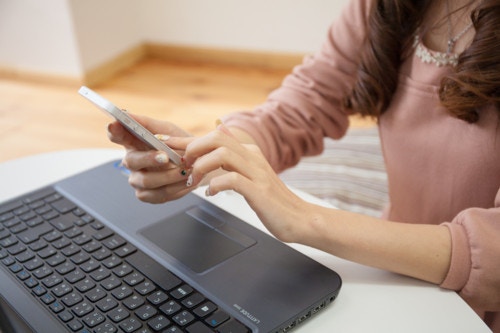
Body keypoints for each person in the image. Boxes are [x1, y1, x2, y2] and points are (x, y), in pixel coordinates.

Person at [107, 0, 500, 330]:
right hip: (391, 265)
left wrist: (306, 219)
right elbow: (305, 101)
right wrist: (210, 153)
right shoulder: (383, 6)